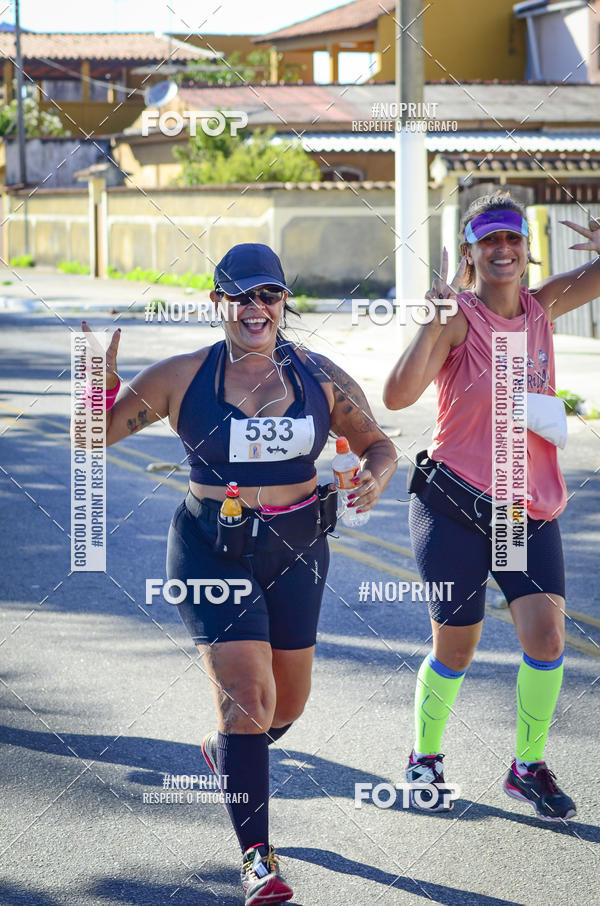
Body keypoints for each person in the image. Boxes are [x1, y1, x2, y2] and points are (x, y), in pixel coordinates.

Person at [83, 242, 397, 904]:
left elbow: (379, 442)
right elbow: (93, 435)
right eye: (241, 295)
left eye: (269, 295)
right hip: (210, 550)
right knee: (250, 698)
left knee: (285, 706)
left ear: (285, 302)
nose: (256, 308)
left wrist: (374, 475)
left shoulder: (319, 375)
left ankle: (226, 746)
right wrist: (98, 383)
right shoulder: (181, 376)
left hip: (299, 548)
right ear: (217, 302)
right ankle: (258, 858)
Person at [383, 191, 600, 821]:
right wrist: (432, 319)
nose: (502, 249)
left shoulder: (543, 308)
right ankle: (425, 757)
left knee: (547, 634)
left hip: (523, 508)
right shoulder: (458, 317)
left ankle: (525, 766)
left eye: (513, 239)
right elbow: (397, 398)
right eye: (489, 241)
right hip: (454, 500)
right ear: (471, 254)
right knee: (457, 646)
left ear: (527, 251)